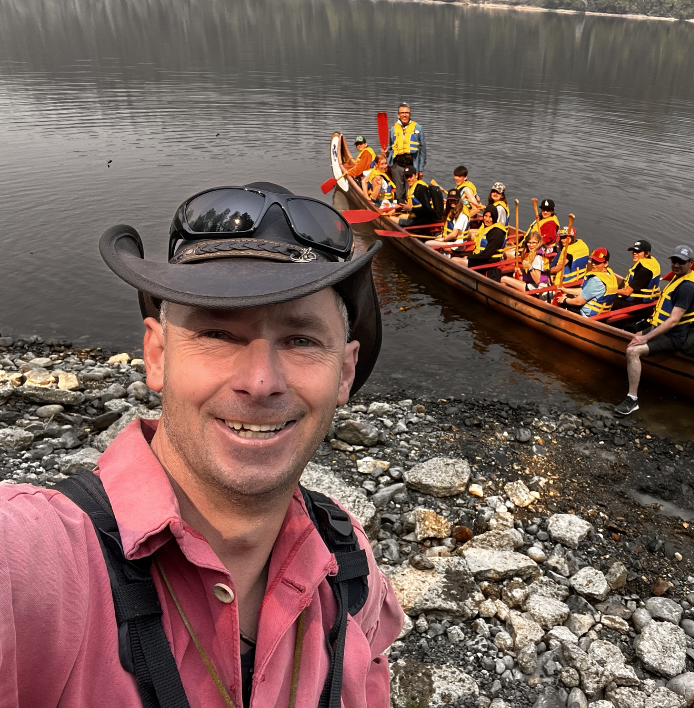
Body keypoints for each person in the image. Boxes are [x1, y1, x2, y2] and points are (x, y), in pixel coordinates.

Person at [0, 182, 404, 706]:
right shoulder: (37, 562)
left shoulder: (348, 565)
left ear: (345, 372)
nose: (261, 382)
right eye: (217, 334)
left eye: (300, 339)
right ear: (157, 355)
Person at [615, 245, 694, 416]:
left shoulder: (687, 287)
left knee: (633, 350)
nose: (676, 265)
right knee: (631, 333)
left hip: (674, 336)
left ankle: (632, 399)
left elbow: (674, 320)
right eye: (674, 261)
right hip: (660, 327)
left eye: (681, 262)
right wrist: (643, 333)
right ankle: (635, 372)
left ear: (691, 263)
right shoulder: (679, 278)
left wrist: (645, 337)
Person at [557, 248, 619, 317]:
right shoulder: (610, 275)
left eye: (597, 262)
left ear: (606, 263)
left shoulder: (596, 280)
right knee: (567, 295)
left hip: (586, 315)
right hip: (601, 315)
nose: (593, 264)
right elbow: (585, 291)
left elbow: (579, 302)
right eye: (593, 260)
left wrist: (565, 300)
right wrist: (566, 290)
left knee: (560, 301)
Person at [386, 102, 426, 203]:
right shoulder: (393, 129)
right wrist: (386, 154)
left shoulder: (418, 128)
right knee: (399, 193)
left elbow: (423, 150)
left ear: (410, 114)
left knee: (411, 192)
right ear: (398, 115)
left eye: (407, 113)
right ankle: (400, 210)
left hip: (412, 165)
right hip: (397, 166)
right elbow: (391, 147)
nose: (404, 115)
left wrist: (420, 169)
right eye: (402, 113)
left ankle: (411, 213)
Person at [454, 206, 507, 276]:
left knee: (454, 260)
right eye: (485, 216)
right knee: (461, 258)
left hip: (489, 262)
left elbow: (486, 255)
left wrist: (469, 257)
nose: (487, 219)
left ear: (495, 218)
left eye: (490, 217)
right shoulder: (486, 227)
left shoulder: (497, 233)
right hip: (482, 258)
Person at [612, 239, 661, 310]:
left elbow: (627, 292)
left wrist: (610, 291)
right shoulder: (651, 262)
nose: (634, 253)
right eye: (634, 251)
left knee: (606, 298)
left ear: (647, 253)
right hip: (643, 300)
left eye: (638, 252)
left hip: (634, 304)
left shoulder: (644, 270)